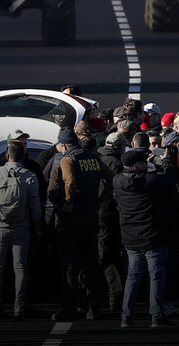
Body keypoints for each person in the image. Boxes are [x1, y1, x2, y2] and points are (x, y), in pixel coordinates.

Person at [115, 145, 179, 328]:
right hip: (153, 236)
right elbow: (170, 178)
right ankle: (156, 315)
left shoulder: (118, 180)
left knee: (133, 276)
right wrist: (166, 160)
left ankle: (126, 316)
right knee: (156, 276)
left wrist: (147, 165)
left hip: (130, 236)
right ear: (136, 167)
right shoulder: (152, 182)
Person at [48, 130, 107, 320]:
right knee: (91, 263)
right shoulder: (94, 158)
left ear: (64, 146)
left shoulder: (67, 160)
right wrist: (101, 200)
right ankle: (94, 309)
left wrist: (68, 204)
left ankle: (70, 309)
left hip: (72, 219)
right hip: (91, 215)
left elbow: (70, 182)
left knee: (70, 264)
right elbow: (112, 178)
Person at [0, 140, 41, 321]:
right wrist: (38, 228)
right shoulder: (29, 175)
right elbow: (35, 205)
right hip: (21, 226)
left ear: (7, 155)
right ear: (23, 157)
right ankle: (19, 307)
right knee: (20, 267)